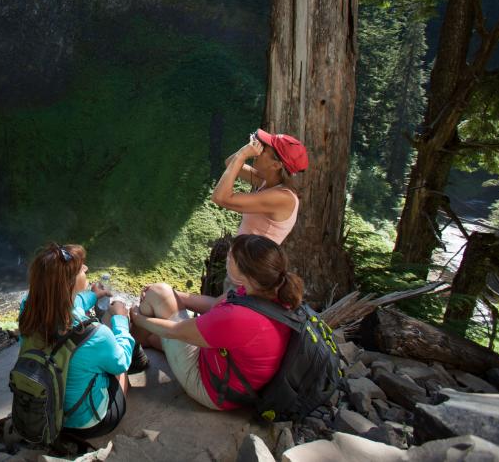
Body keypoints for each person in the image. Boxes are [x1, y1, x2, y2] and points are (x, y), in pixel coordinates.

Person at [128, 234, 303, 411]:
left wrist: (139, 318)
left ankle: (133, 348)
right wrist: (176, 295)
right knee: (155, 335)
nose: (227, 257)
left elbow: (176, 331)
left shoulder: (238, 317)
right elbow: (214, 305)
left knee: (158, 293)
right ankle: (145, 340)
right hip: (227, 370)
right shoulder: (269, 291)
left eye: (231, 256)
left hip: (213, 390)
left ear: (244, 271)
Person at [18, 242, 135, 437]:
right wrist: (122, 320)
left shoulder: (28, 308)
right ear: (71, 283)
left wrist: (92, 295)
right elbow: (121, 363)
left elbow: (61, 301)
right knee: (119, 367)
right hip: (84, 424)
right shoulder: (94, 333)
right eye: (81, 268)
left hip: (42, 413)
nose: (86, 269)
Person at [210, 129, 308, 246]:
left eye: (263, 148)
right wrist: (245, 149)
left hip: (251, 263)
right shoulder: (267, 181)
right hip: (241, 259)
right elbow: (230, 163)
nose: (258, 151)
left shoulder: (282, 198)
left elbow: (220, 198)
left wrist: (243, 155)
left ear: (276, 165)